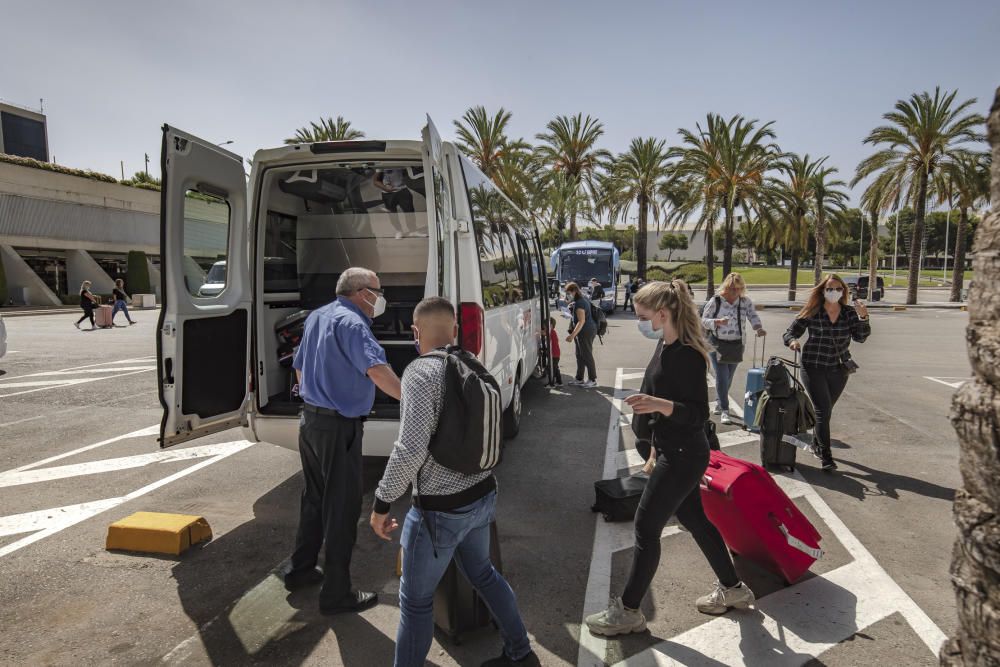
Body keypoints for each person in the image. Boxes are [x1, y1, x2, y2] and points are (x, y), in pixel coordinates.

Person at [370, 297, 537, 667]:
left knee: (414, 602)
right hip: (482, 497)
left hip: (439, 511)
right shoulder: (471, 363)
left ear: (416, 333)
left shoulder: (419, 372)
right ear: (456, 331)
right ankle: (521, 653)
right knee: (484, 574)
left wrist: (382, 502)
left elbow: (410, 448)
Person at [585, 280, 754, 637]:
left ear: (663, 313)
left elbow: (696, 414)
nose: (639, 320)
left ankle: (629, 611)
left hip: (683, 456)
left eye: (643, 314)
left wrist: (660, 407)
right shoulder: (666, 343)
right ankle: (734, 589)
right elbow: (658, 390)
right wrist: (651, 437)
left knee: (646, 528)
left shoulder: (689, 355)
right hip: (671, 451)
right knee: (696, 520)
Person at [286, 267, 403, 614]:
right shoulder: (353, 324)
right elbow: (378, 371)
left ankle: (300, 570)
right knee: (342, 508)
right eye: (377, 292)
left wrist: (316, 395)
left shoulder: (317, 317)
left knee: (315, 500)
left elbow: (299, 367)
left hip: (311, 422)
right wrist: (415, 400)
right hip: (339, 428)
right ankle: (336, 594)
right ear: (361, 292)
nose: (379, 299)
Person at [783, 274, 871, 471]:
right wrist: (793, 342)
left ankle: (816, 443)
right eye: (830, 289)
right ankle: (826, 457)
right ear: (823, 291)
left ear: (843, 291)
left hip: (839, 369)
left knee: (826, 412)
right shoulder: (813, 311)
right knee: (823, 411)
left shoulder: (849, 313)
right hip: (813, 366)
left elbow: (860, 338)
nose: (834, 292)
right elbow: (789, 333)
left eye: (838, 289)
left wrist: (863, 317)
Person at [701, 272, 765, 424]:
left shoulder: (745, 302)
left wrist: (758, 328)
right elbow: (704, 320)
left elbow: (753, 316)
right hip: (716, 344)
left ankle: (718, 400)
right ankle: (725, 410)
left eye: (737, 288)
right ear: (726, 287)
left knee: (728, 378)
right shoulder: (716, 301)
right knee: (722, 377)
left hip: (737, 344)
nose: (734, 291)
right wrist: (717, 322)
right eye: (731, 288)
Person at [564, 282, 597, 388]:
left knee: (586, 355)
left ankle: (592, 379)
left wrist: (572, 335)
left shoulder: (580, 303)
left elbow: (581, 321)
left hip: (585, 331)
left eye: (568, 293)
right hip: (585, 330)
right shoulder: (581, 300)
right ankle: (579, 378)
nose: (567, 295)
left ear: (574, 291)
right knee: (579, 355)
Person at [546, 316, 562, 386]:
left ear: (551, 325)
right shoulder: (552, 331)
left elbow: (544, 333)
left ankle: (551, 383)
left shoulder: (551, 332)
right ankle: (559, 382)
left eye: (545, 326)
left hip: (554, 354)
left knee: (551, 369)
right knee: (555, 368)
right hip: (556, 354)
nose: (545, 327)